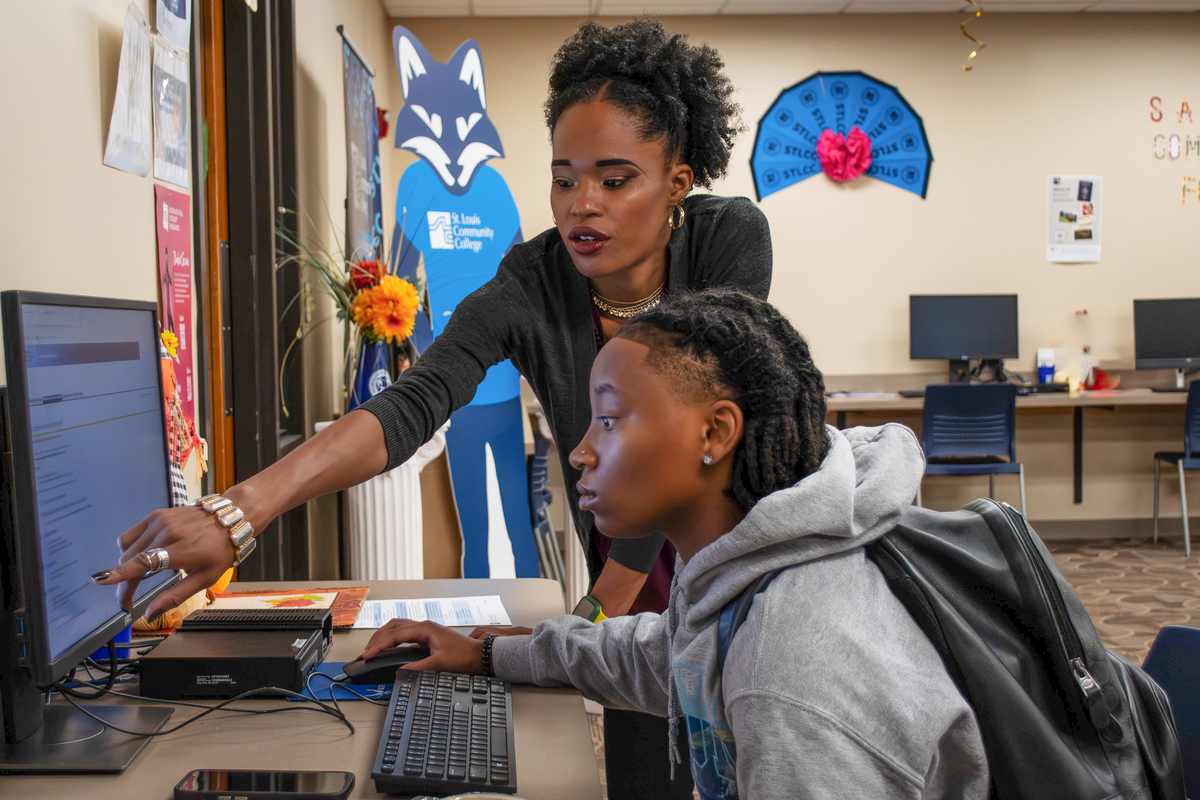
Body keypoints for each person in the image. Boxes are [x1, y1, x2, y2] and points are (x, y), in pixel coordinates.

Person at [95, 19, 766, 799]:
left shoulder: (728, 241)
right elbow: (416, 400)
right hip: (626, 594)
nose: (582, 205)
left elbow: (681, 430)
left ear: (677, 181)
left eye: (615, 181)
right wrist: (240, 511)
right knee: (647, 778)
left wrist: (590, 614)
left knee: (753, 763)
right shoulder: (531, 281)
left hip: (741, 572)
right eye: (564, 179)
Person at [360, 289, 990, 799]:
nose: (581, 452)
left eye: (609, 420)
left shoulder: (790, 671)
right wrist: (489, 654)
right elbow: (668, 653)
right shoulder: (746, 571)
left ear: (715, 432)